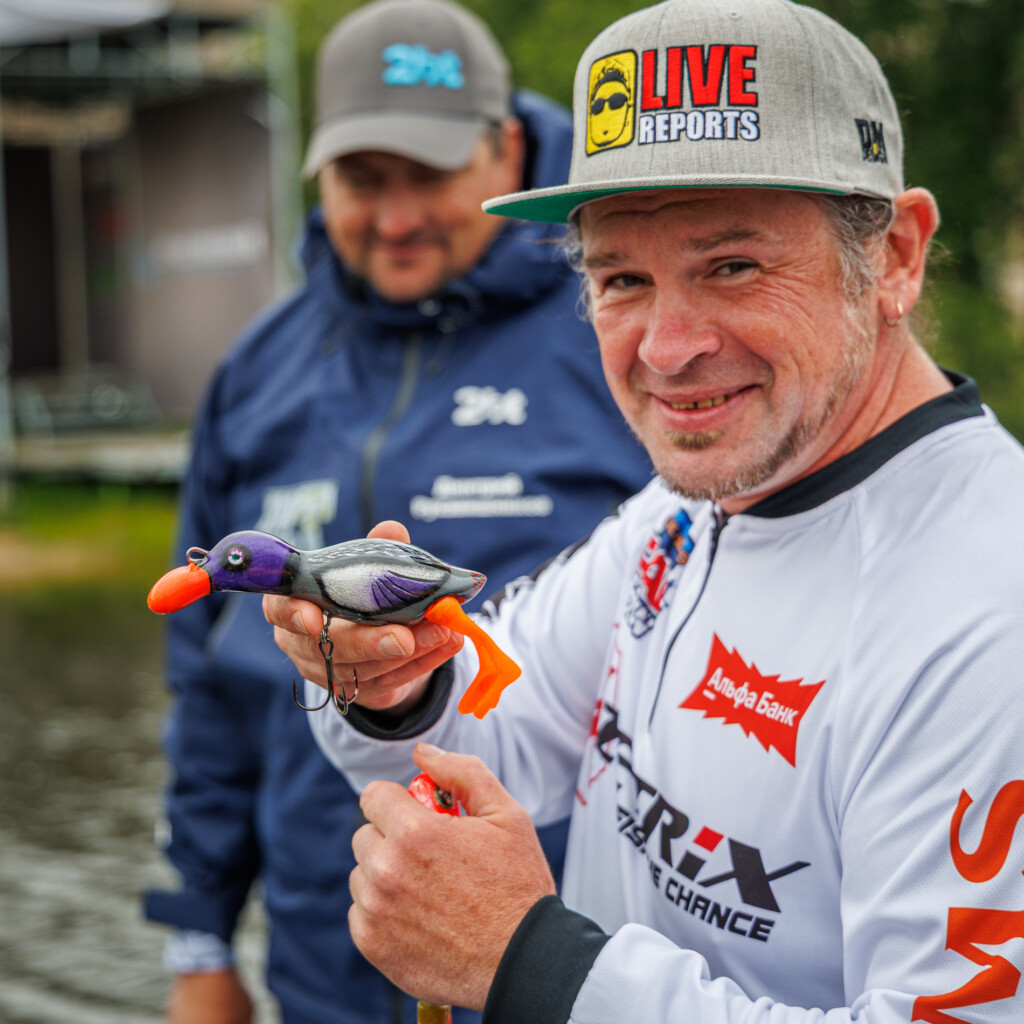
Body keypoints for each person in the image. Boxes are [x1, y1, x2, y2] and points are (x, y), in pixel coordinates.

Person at [266, 1, 1024, 1022]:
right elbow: (492, 734)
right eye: (621, 277)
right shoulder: (690, 503)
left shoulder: (990, 619)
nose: (666, 348)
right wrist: (390, 681)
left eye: (732, 266)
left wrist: (531, 965)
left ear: (894, 255)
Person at [142, 0, 651, 1021]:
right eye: (363, 180)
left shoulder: (621, 333)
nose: (396, 215)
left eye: (428, 174)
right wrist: (198, 941)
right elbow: (207, 683)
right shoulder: (257, 371)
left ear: (506, 151)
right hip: (319, 958)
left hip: (556, 959)